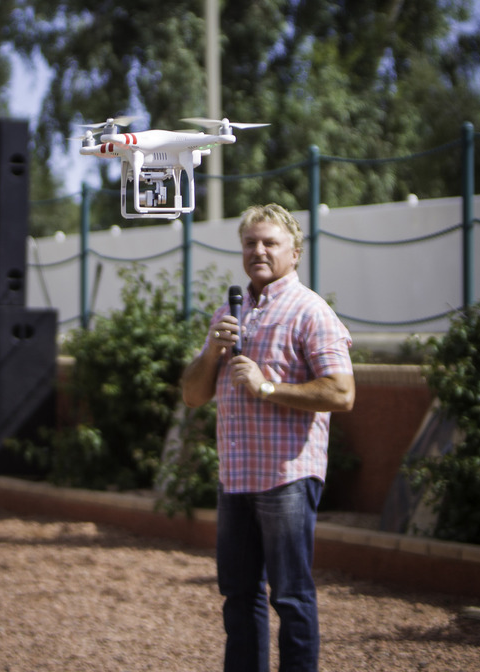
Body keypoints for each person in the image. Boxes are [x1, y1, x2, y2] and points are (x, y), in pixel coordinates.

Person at [181, 203, 355, 672]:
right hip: (235, 479)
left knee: (292, 596)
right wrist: (213, 352)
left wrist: (268, 387)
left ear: (294, 253)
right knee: (238, 597)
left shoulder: (310, 311)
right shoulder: (227, 313)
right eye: (250, 243)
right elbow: (193, 395)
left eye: (269, 243)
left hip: (287, 478)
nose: (258, 250)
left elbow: (342, 393)